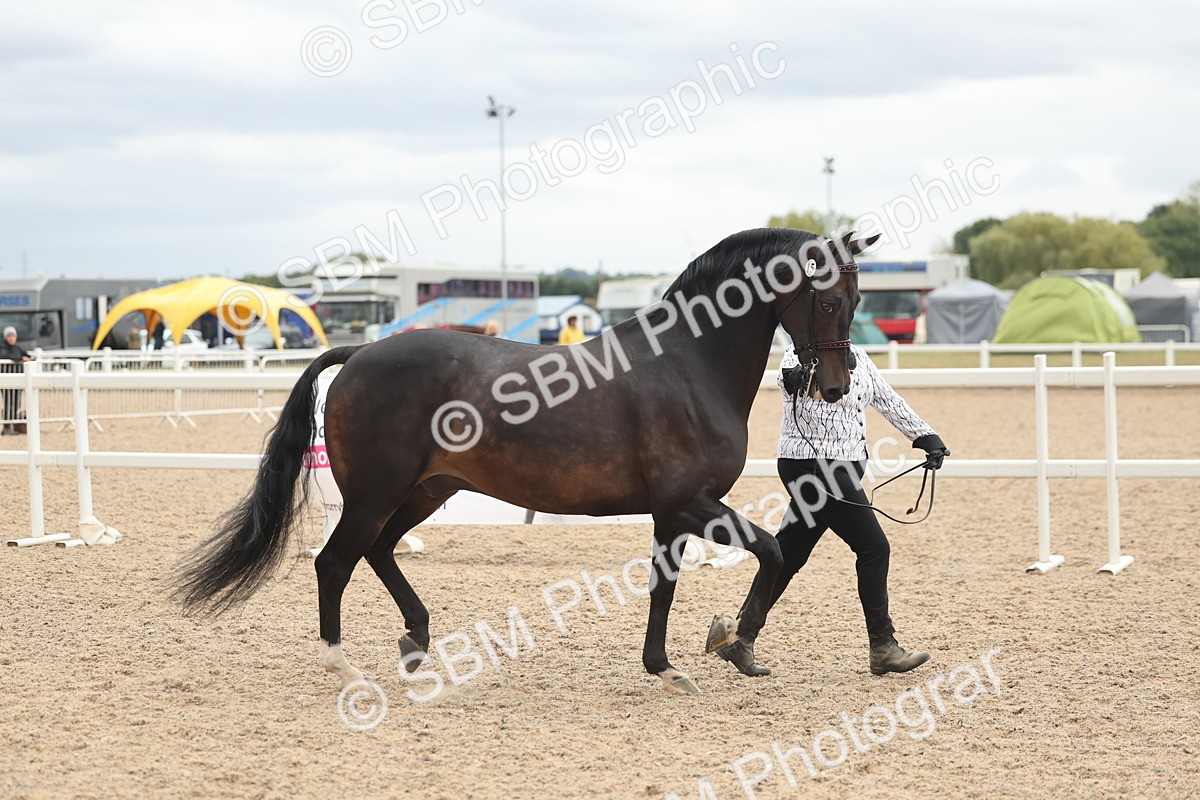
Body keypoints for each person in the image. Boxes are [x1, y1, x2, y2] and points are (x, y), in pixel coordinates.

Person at [714, 342, 950, 678]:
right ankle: (883, 646)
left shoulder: (861, 356)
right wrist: (802, 375)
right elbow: (785, 380)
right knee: (873, 548)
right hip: (813, 468)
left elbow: (886, 399)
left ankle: (739, 636)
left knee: (789, 554)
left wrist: (926, 435)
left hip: (844, 468)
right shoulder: (799, 352)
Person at [1, 326, 33, 435]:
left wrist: (30, 358)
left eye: (13, 336)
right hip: (6, 381)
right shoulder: (2, 347)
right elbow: (7, 356)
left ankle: (13, 425)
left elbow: (25, 355)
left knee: (16, 403)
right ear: (6, 338)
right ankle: (6, 426)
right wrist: (21, 358)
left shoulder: (17, 348)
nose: (11, 338)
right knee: (8, 403)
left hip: (17, 381)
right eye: (9, 336)